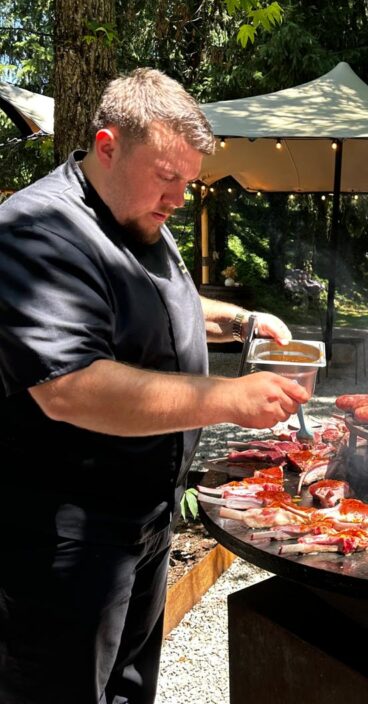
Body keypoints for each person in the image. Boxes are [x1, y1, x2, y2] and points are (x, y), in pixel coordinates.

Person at [0, 68, 309, 704]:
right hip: (68, 535)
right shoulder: (36, 229)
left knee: (128, 688)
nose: (178, 198)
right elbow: (71, 387)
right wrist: (228, 397)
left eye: (187, 183)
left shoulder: (139, 215)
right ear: (106, 145)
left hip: (146, 518)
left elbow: (168, 301)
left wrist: (239, 321)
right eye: (168, 177)